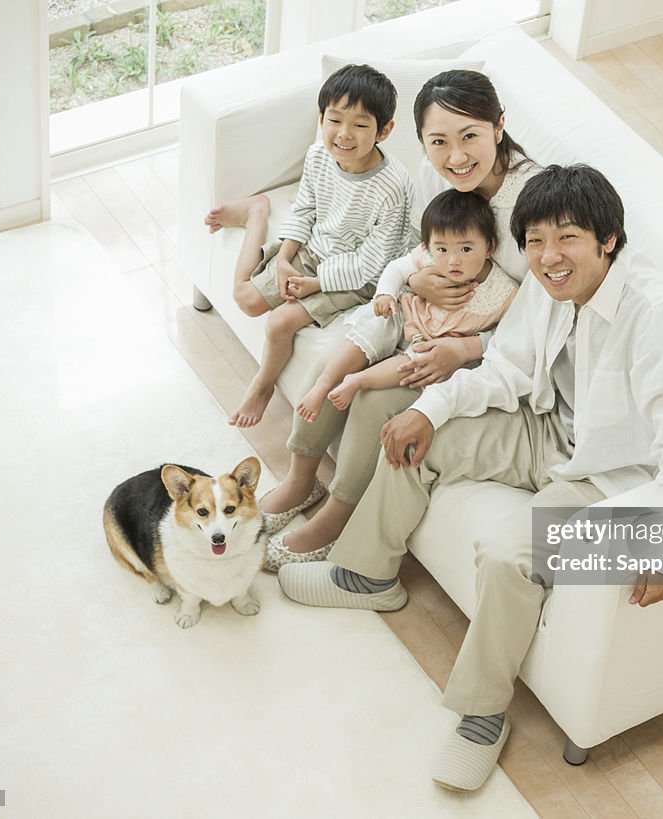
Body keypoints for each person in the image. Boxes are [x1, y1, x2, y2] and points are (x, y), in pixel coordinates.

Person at [277, 164, 663, 791]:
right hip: (543, 427)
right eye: (535, 240)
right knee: (412, 435)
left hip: (608, 475)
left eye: (566, 238)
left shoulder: (655, 313)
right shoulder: (547, 284)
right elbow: (506, 369)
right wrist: (427, 409)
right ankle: (366, 575)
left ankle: (481, 717)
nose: (548, 256)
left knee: (512, 555)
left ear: (608, 240)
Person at [258, 70, 538, 572]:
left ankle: (338, 514)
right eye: (438, 142)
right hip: (420, 311)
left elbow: (540, 317)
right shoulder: (443, 175)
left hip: (478, 345)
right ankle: (302, 480)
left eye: (470, 136)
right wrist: (418, 281)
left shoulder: (531, 204)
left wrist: (467, 349)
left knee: (377, 395)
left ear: (499, 127)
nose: (455, 157)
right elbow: (419, 248)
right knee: (345, 354)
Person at [204, 63, 416, 429]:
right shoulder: (319, 155)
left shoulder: (393, 185)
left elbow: (372, 263)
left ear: (385, 130)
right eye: (334, 120)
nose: (344, 134)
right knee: (247, 299)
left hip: (359, 275)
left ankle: (262, 385)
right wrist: (285, 258)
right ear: (321, 117)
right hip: (315, 249)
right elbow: (306, 209)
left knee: (280, 322)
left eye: (360, 125)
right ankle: (257, 213)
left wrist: (315, 284)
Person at [294, 189, 517, 422]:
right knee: (378, 325)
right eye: (442, 249)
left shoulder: (504, 292)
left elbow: (507, 336)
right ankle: (324, 383)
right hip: (408, 314)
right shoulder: (429, 255)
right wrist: (385, 294)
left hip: (435, 342)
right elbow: (397, 269)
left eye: (466, 249)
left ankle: (358, 380)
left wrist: (467, 346)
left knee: (420, 363)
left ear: (490, 247)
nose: (453, 260)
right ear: (430, 246)